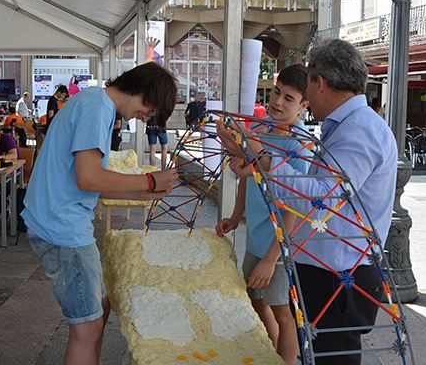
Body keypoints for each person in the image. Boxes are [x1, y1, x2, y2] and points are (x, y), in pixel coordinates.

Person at [217, 39, 397, 365]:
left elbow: (321, 197)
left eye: (306, 88)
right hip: (325, 271)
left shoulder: (360, 130)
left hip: (340, 278)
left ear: (320, 83)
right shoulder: (347, 126)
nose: (307, 97)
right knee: (316, 354)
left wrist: (263, 159)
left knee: (332, 358)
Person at [21, 62, 178, 365]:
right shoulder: (97, 107)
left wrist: (140, 193)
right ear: (143, 91)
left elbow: (86, 181)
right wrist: (149, 180)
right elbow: (89, 178)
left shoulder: (95, 103)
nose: (146, 117)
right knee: (88, 326)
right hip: (63, 229)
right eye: (151, 109)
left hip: (60, 221)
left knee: (99, 310)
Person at [215, 64, 309, 365]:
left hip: (279, 247)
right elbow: (248, 173)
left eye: (289, 98)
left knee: (284, 312)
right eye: (276, 92)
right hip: (256, 236)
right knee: (254, 300)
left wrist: (271, 259)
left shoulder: (300, 144)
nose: (277, 102)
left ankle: (286, 360)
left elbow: (297, 204)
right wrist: (235, 216)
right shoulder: (260, 128)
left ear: (304, 105)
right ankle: (271, 355)